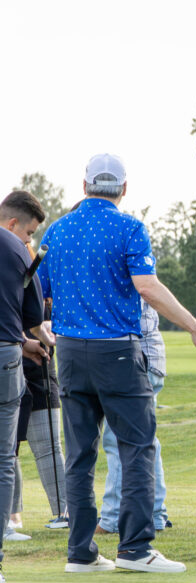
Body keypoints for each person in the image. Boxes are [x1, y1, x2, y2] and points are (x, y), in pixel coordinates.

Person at [39, 153, 196, 574]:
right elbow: (147, 287)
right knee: (137, 448)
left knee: (80, 456)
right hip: (116, 352)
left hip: (68, 352)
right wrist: (195, 327)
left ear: (83, 187)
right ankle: (135, 549)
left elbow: (39, 292)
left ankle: (80, 553)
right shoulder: (129, 228)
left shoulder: (57, 230)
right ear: (123, 189)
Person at [2, 191, 67, 533]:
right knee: (5, 448)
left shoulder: (24, 255)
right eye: (28, 233)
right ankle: (9, 522)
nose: (31, 241)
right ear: (13, 224)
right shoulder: (15, 253)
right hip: (11, 357)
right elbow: (28, 316)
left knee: (33, 446)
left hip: (24, 353)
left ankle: (56, 513)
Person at [97, 301, 171, 534]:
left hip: (135, 356)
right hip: (147, 356)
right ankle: (156, 514)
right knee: (146, 440)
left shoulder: (125, 267)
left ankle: (113, 518)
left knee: (119, 439)